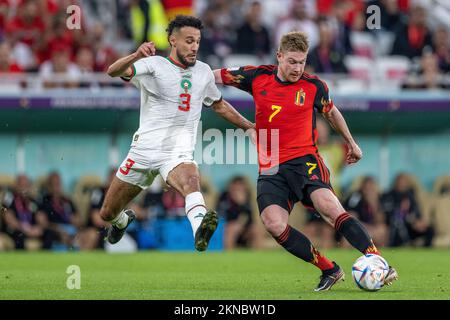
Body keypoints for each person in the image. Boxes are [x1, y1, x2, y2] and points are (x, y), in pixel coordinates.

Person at [214, 31, 398, 291]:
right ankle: (329, 269)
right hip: (271, 168)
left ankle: (378, 260)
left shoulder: (314, 86)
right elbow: (214, 75)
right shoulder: (257, 77)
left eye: (301, 62)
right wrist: (188, 79)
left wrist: (352, 143)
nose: (297, 68)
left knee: (329, 207)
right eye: (291, 61)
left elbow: (332, 112)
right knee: (273, 224)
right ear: (279, 56)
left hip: (305, 160)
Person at [104, 15, 254, 251]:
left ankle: (200, 231)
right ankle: (121, 221)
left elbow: (218, 104)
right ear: (173, 41)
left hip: (177, 152)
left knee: (191, 181)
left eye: (197, 41)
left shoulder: (203, 72)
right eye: (189, 41)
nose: (194, 47)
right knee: (107, 212)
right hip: (143, 151)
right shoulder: (154, 64)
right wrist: (136, 55)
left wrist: (249, 126)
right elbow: (112, 71)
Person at [381, 173, 434, 247]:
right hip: (395, 226)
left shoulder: (410, 196)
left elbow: (417, 212)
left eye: (404, 182)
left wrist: (419, 222)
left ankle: (426, 252)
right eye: (400, 182)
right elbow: (388, 214)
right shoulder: (388, 195)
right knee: (397, 227)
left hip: (411, 226)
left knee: (429, 230)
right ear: (396, 182)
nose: (402, 184)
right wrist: (407, 217)